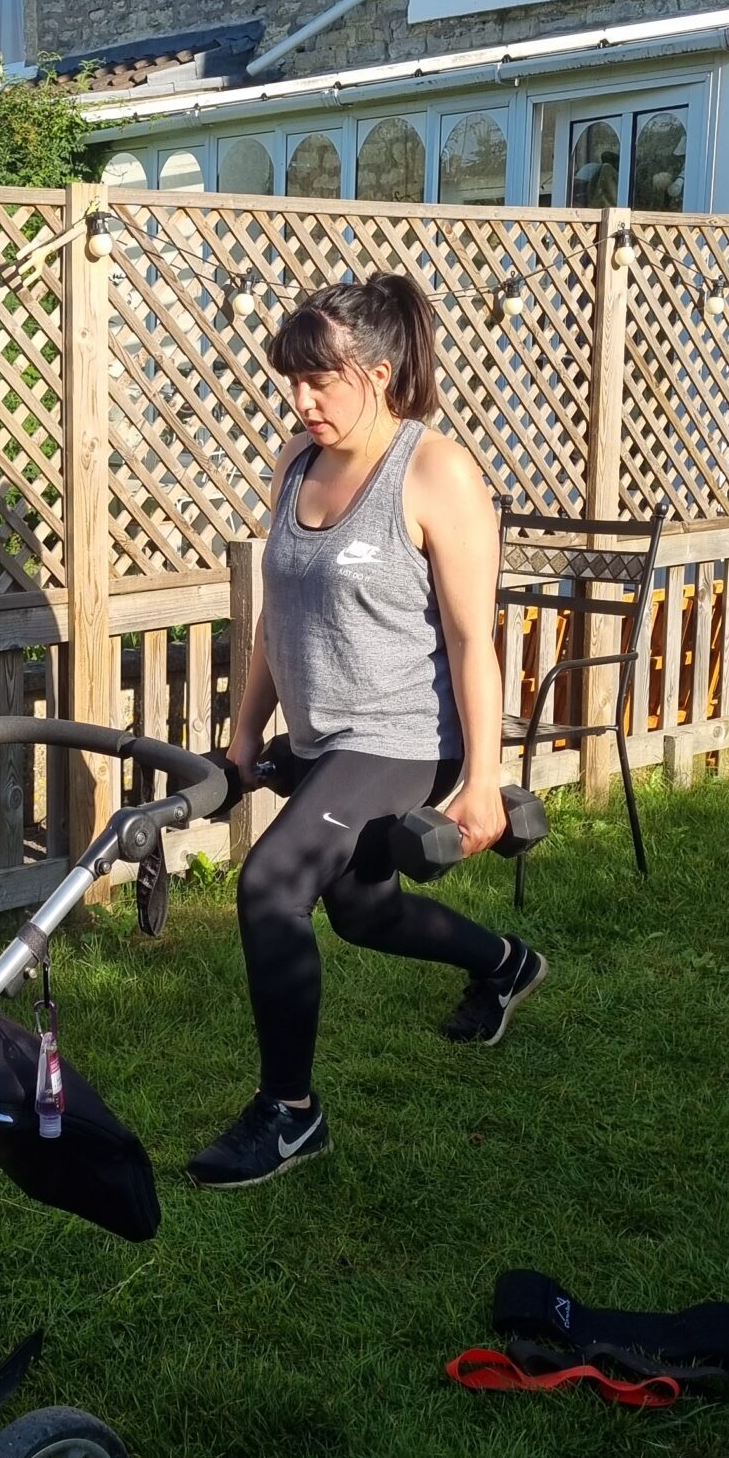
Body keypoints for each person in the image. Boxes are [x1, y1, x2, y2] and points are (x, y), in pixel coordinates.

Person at [188, 273, 546, 1190]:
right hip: (322, 741)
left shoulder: (435, 472)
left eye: (321, 380)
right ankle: (505, 965)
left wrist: (480, 777)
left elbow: (472, 638)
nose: (301, 400)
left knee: (271, 885)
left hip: (403, 735)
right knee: (362, 909)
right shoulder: (295, 464)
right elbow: (275, 622)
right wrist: (240, 739)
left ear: (380, 373)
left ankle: (289, 1114)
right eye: (292, 381)